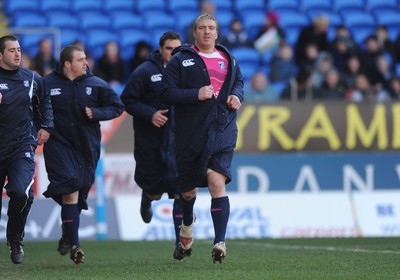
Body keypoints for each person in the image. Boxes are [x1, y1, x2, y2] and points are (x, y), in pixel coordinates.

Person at [160, 13, 244, 263]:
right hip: (190, 133)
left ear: (217, 33)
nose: (207, 32)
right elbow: (166, 93)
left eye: (211, 28)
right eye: (202, 28)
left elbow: (238, 83)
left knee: (217, 182)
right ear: (194, 33)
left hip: (222, 129)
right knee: (188, 192)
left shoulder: (228, 58)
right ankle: (187, 224)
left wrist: (237, 96)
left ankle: (220, 243)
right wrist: (195, 94)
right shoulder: (180, 60)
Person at [42, 45, 124, 264]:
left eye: (85, 59)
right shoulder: (47, 84)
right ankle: (76, 246)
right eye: (81, 59)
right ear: (68, 64)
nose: (86, 63)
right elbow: (34, 110)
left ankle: (68, 233)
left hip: (87, 147)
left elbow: (117, 106)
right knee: (70, 187)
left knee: (78, 193)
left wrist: (96, 113)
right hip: (58, 145)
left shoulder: (96, 84)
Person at [120, 32, 187, 260]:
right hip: (151, 139)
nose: (174, 53)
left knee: (180, 191)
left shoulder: (186, 71)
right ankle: (147, 197)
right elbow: (127, 100)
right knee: (155, 188)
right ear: (160, 49)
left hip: (178, 139)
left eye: (178, 49)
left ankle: (180, 243)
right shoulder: (145, 72)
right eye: (170, 49)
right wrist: (150, 114)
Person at [0, 34, 53, 264]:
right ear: (0, 55)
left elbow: (46, 102)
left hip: (22, 145)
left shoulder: (33, 78)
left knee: (21, 193)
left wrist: (47, 126)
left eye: (19, 49)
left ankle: (14, 239)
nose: (17, 53)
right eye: (11, 50)